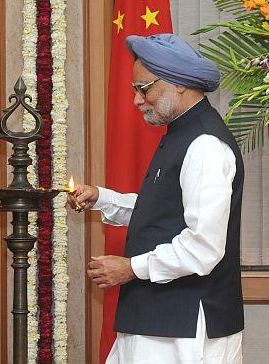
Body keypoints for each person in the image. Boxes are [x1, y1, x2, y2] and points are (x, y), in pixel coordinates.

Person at [69, 34, 244, 364]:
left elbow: (203, 246)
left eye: (144, 88)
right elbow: (165, 211)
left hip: (186, 329)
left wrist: (130, 268)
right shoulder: (181, 133)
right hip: (155, 320)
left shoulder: (205, 145)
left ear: (178, 83)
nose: (137, 100)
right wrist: (103, 200)